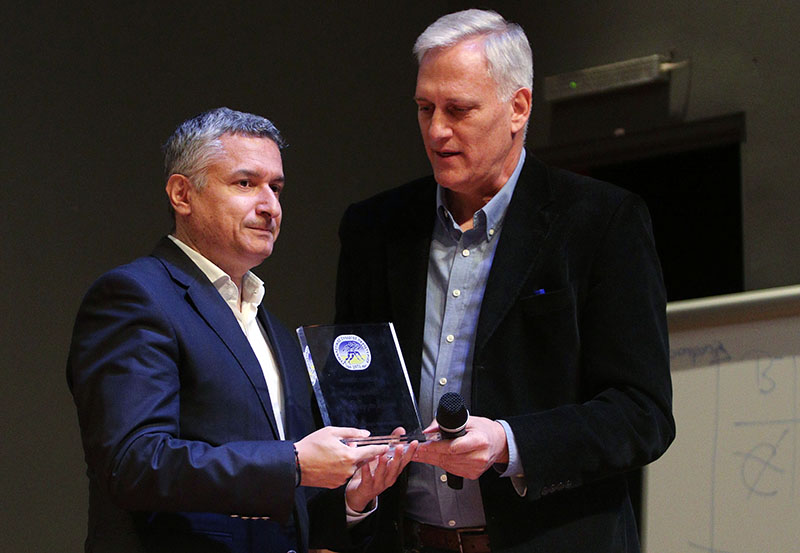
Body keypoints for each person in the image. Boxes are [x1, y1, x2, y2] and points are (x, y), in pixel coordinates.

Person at [334, 9, 675, 553]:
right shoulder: (374, 229)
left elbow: (642, 414)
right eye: (425, 108)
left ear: (518, 107)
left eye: (458, 110)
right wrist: (354, 506)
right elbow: (352, 395)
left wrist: (508, 443)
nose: (436, 130)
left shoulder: (600, 221)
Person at [67, 107, 416, 553]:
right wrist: (293, 463)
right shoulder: (134, 296)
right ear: (182, 194)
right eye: (246, 183)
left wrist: (350, 500)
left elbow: (280, 498)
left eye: (276, 188)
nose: (270, 206)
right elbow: (132, 463)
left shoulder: (273, 329)